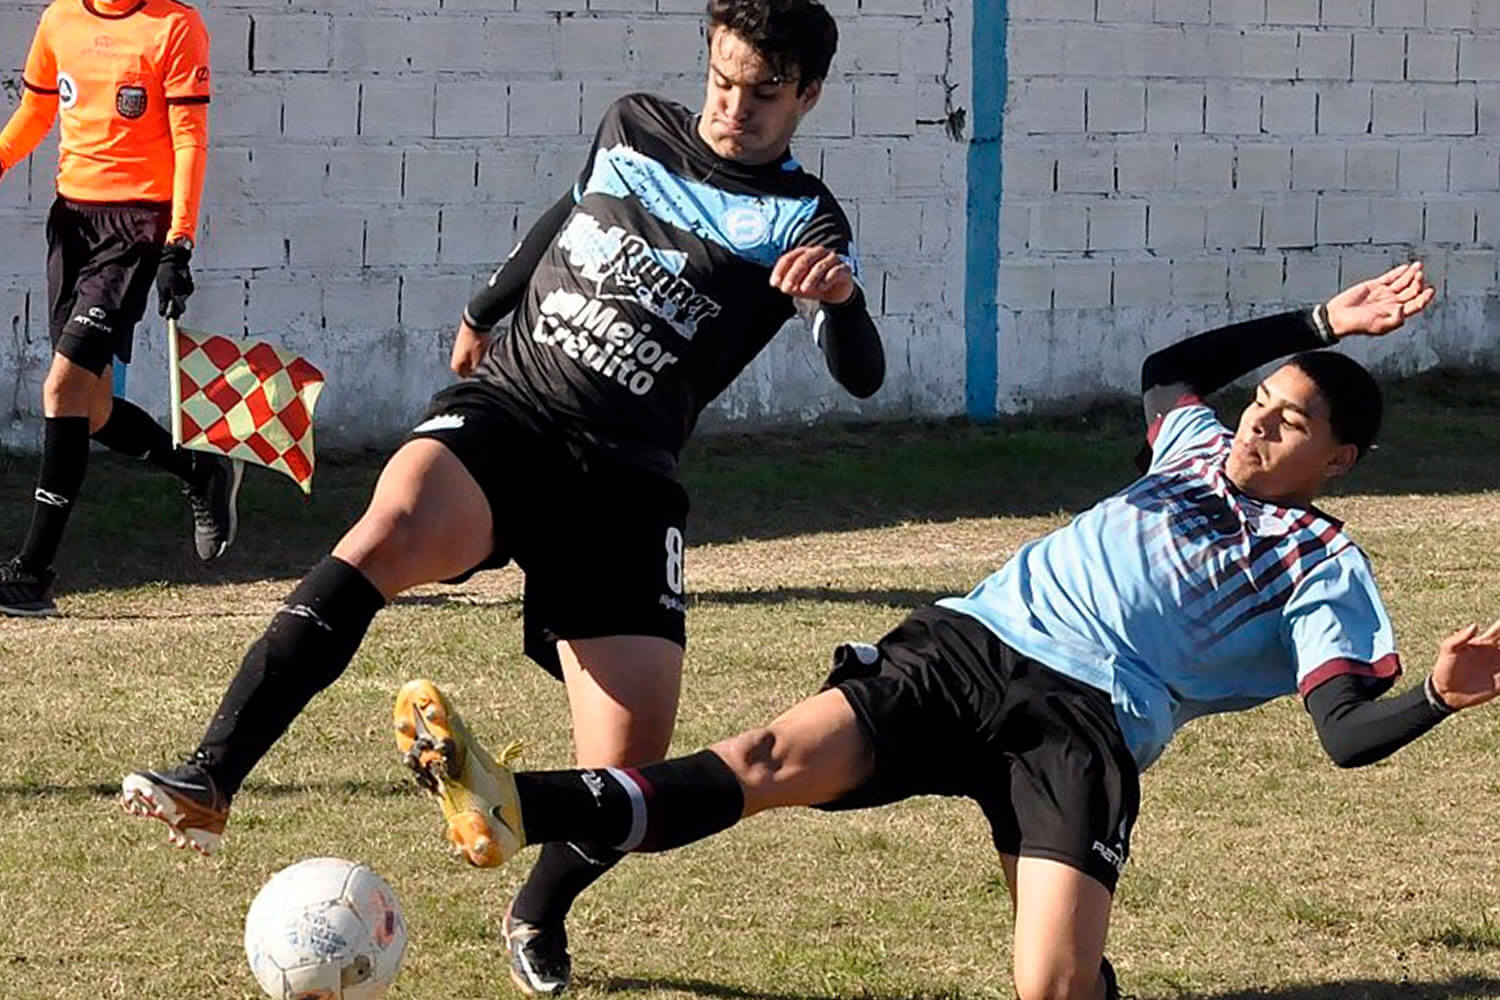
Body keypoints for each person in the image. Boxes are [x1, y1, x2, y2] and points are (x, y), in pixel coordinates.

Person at [392, 262, 1500, 1000]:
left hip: (1083, 728)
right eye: (1262, 401)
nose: (1259, 419)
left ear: (1339, 459)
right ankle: (515, 799)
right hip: (969, 645)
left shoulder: (1323, 565)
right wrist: (1318, 324)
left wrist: (1441, 695)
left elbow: (1346, 732)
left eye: (1291, 418)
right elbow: (1176, 370)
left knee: (1054, 987)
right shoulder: (1196, 444)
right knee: (764, 762)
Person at [121, 0, 882, 993]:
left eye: (764, 94)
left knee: (630, 771)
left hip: (628, 477)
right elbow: (568, 215)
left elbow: (861, 373)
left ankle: (536, 910)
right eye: (723, 80)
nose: (734, 108)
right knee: (389, 529)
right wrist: (487, 306)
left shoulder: (804, 222)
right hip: (514, 411)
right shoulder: (633, 123)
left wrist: (841, 300)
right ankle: (210, 777)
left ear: (808, 96)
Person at [0, 0, 242, 617]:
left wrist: (178, 242)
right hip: (71, 222)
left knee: (61, 389)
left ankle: (32, 573)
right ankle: (199, 471)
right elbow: (35, 111)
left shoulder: (175, 26)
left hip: (136, 227)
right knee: (95, 406)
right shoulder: (60, 20)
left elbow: (190, 140)